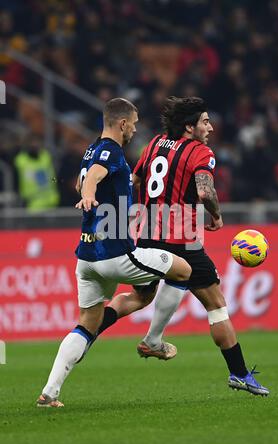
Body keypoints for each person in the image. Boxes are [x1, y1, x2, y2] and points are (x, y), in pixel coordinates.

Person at [94, 96, 269, 397]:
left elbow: (134, 179)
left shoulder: (155, 144)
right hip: (183, 238)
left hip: (147, 232)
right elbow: (205, 190)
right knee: (215, 304)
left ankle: (89, 331)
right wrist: (215, 214)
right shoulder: (201, 153)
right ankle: (239, 374)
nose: (210, 128)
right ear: (189, 127)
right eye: (204, 122)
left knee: (140, 296)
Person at [36, 97, 191, 407]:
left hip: (87, 258)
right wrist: (90, 195)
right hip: (116, 254)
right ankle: (154, 341)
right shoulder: (109, 151)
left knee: (88, 323)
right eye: (133, 123)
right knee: (183, 270)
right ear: (122, 123)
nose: (134, 128)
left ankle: (49, 393)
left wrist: (100, 193)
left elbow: (90, 177)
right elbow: (93, 177)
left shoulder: (91, 148)